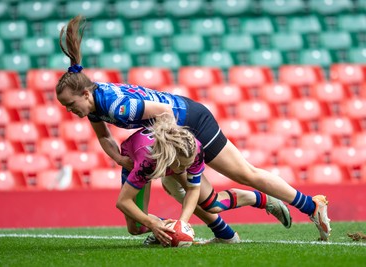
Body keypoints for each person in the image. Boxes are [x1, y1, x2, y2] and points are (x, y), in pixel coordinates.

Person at [56, 15, 331, 241]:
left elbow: (163, 112)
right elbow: (104, 137)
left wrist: (167, 146)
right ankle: (220, 233)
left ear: (85, 94)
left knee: (246, 173)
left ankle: (311, 206)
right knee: (184, 190)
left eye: (70, 105)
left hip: (191, 121)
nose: (71, 112)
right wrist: (121, 158)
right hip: (174, 127)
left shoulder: (116, 106)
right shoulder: (94, 106)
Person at [117, 113, 290, 246]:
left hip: (170, 159)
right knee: (136, 227)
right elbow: (123, 202)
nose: (187, 170)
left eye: (189, 164)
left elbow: (193, 189)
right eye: (183, 167)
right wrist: (153, 224)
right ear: (173, 161)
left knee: (212, 204)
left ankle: (259, 199)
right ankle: (166, 228)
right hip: (138, 162)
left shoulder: (193, 148)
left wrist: (182, 225)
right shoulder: (147, 162)